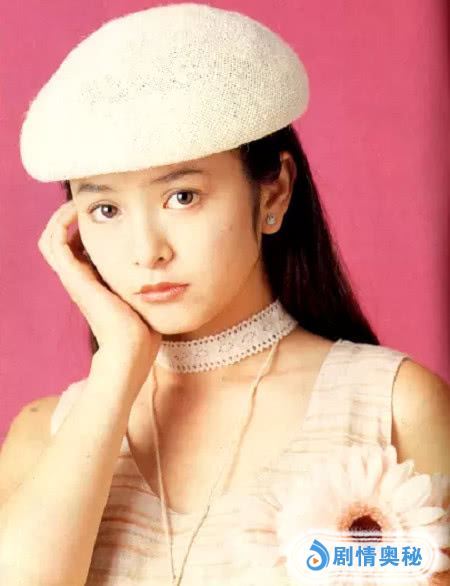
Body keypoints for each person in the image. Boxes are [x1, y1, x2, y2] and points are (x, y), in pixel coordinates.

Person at [0, 3, 449, 585]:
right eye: (105, 208)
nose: (147, 251)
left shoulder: (392, 406)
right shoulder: (46, 435)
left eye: (182, 197)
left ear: (274, 192)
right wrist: (119, 364)